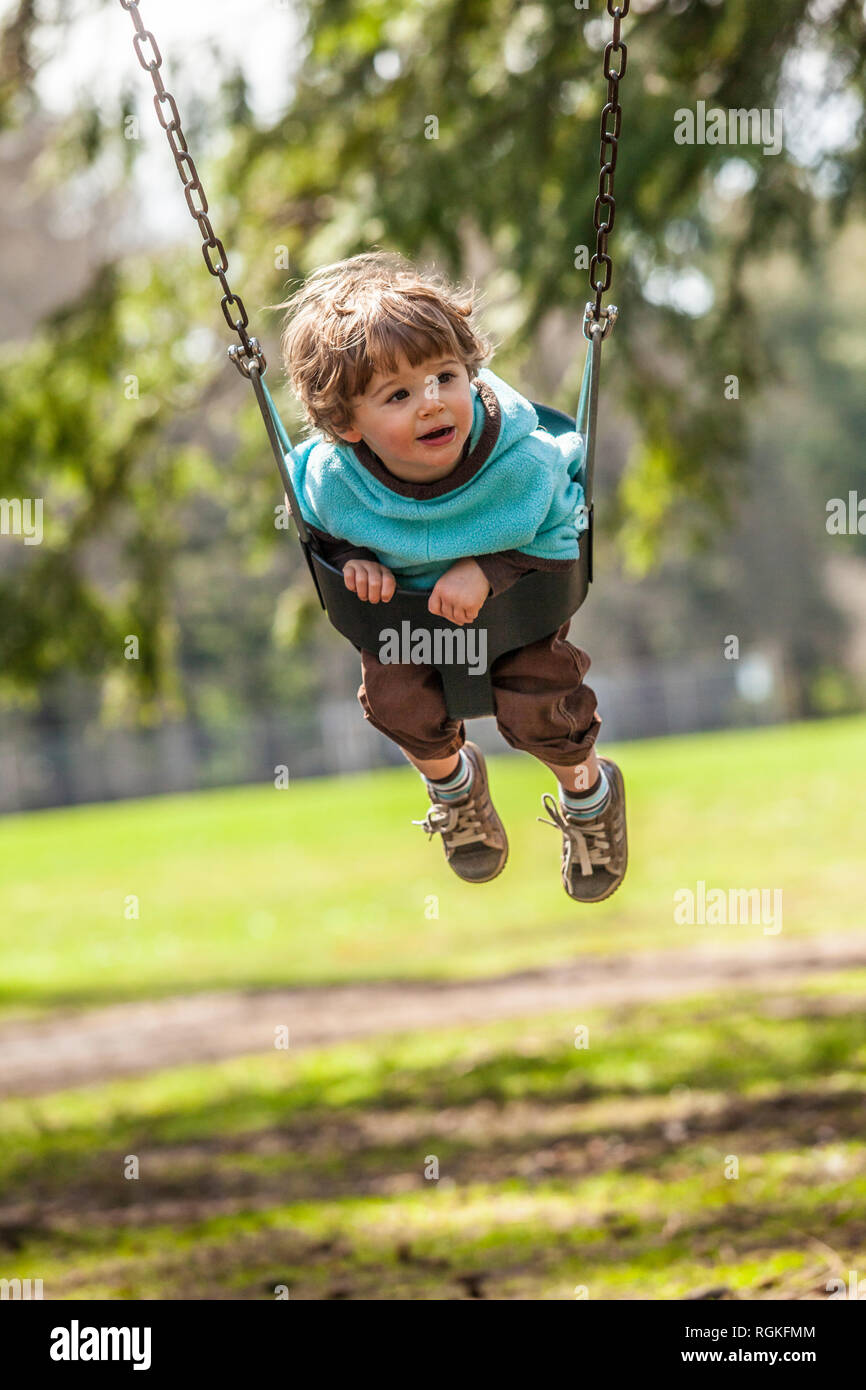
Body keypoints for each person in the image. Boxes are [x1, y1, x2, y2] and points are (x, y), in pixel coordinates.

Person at [279, 251, 627, 902]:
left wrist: (488, 569)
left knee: (540, 710)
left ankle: (589, 795)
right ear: (348, 425)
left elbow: (563, 535)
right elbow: (321, 532)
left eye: (444, 375)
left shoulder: (520, 467)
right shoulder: (335, 483)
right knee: (396, 705)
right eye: (399, 395)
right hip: (408, 621)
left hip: (519, 604)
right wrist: (356, 562)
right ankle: (453, 787)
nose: (432, 402)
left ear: (469, 370)